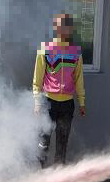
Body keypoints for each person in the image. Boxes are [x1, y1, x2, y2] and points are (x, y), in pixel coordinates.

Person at [33, 13, 86, 167]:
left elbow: (79, 79)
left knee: (62, 144)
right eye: (61, 26)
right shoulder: (45, 49)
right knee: (43, 142)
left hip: (67, 104)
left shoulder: (75, 52)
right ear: (55, 28)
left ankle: (58, 175)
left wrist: (82, 102)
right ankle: (39, 173)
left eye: (67, 26)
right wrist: (37, 103)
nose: (64, 29)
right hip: (48, 103)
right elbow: (37, 79)